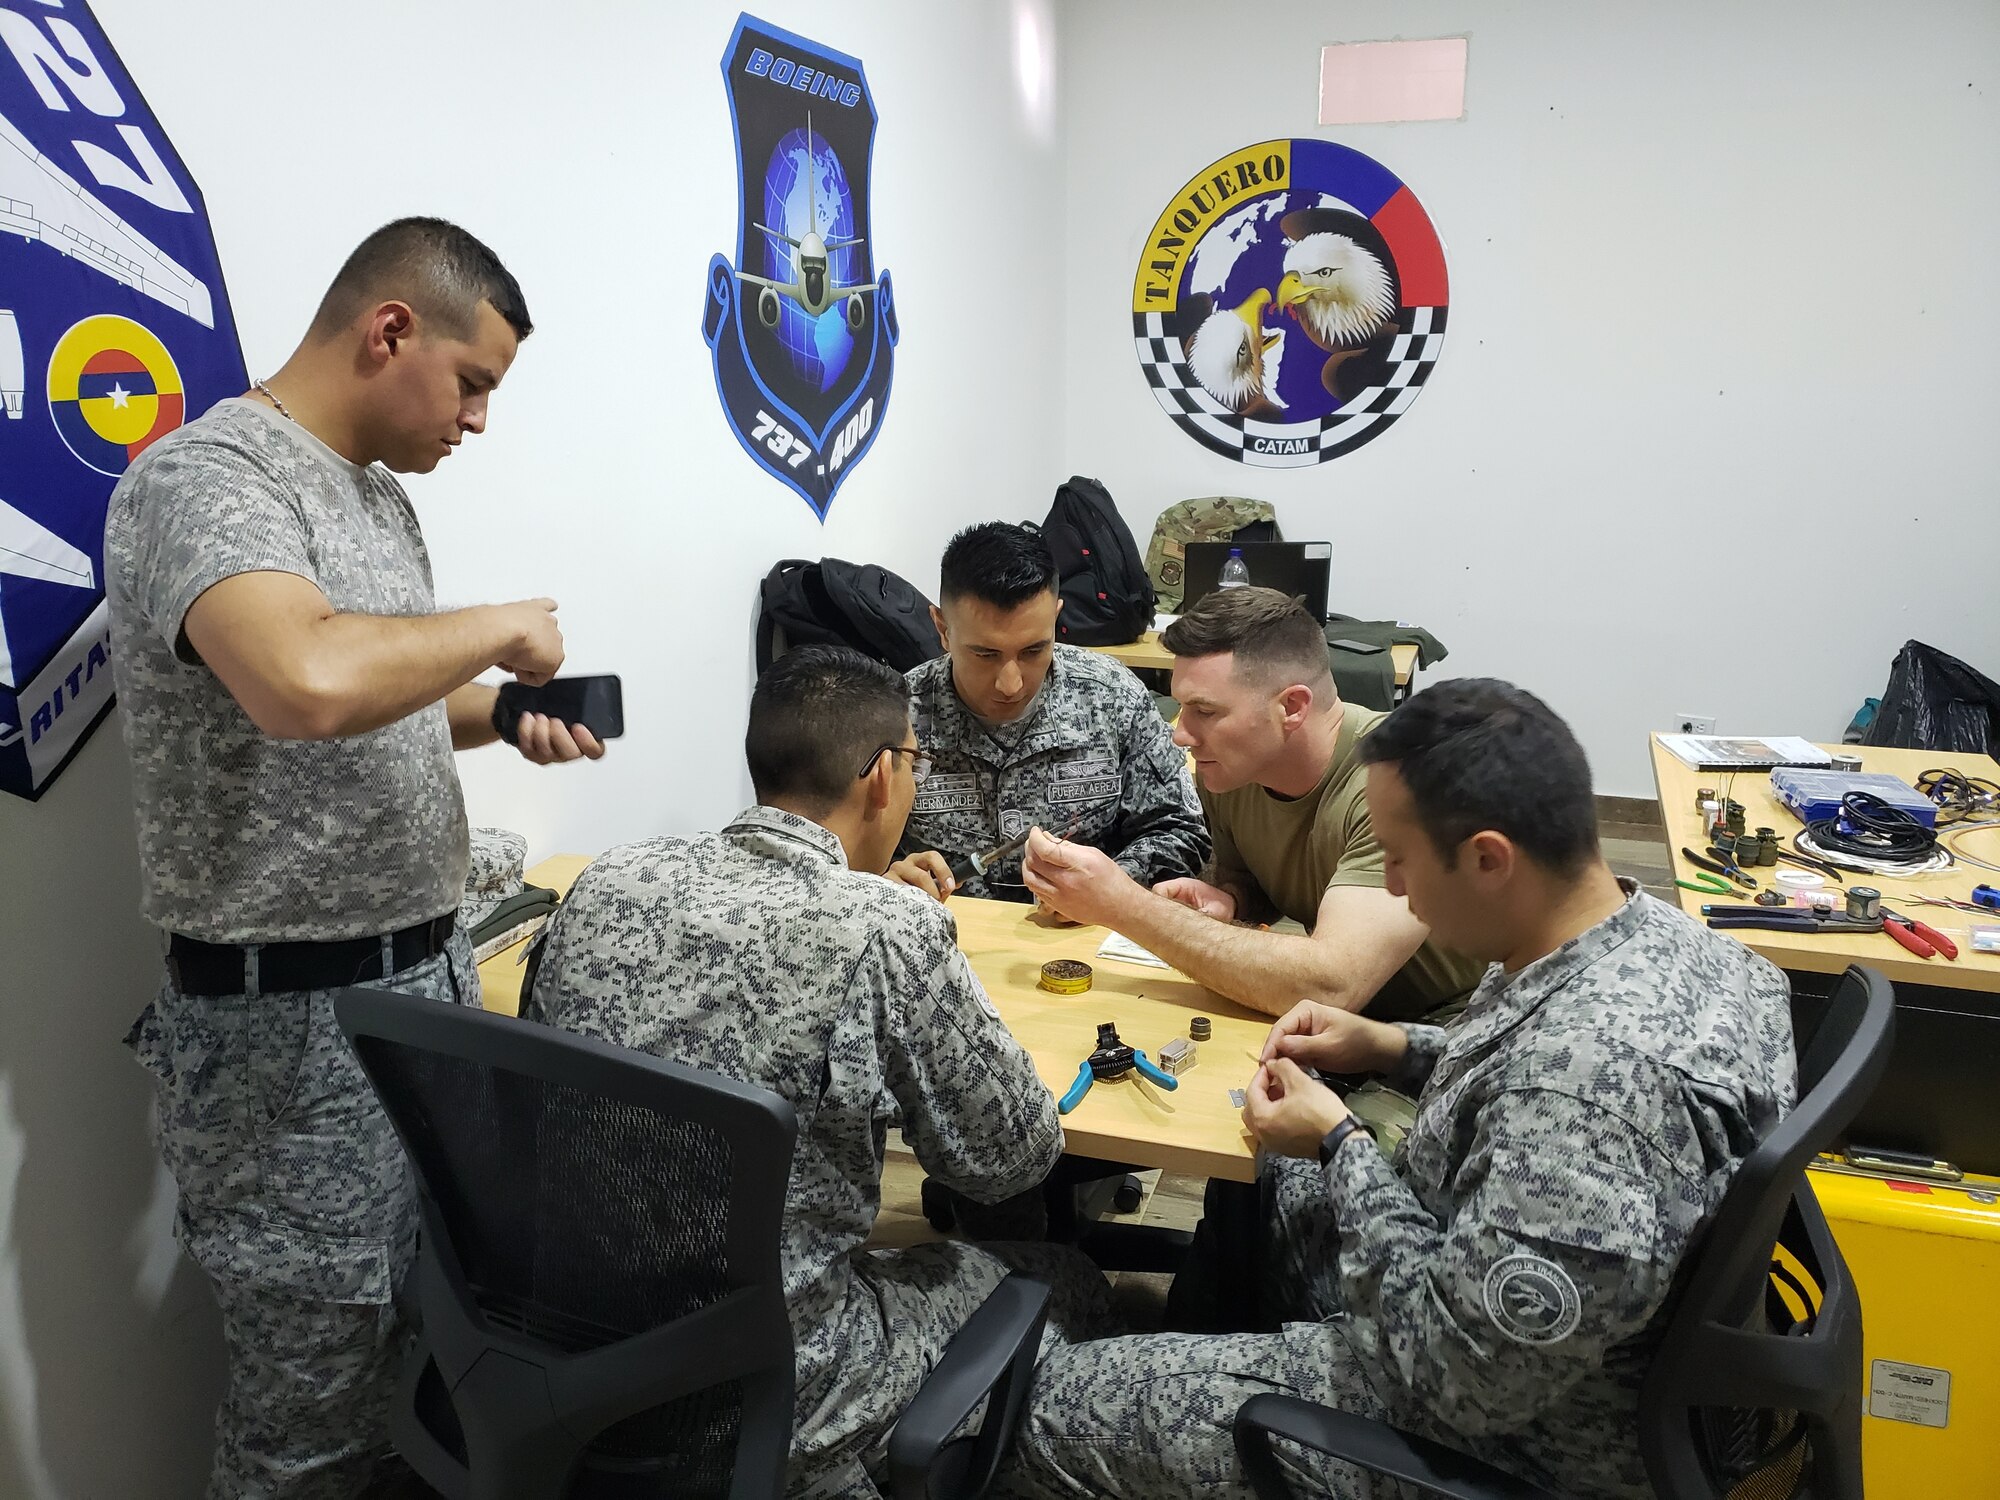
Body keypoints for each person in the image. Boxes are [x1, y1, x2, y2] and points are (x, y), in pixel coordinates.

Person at [993, 679, 1797, 1499]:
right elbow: (1527, 1064)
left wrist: (1341, 1144)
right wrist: (1396, 1046)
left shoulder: (1587, 1098)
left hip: (1514, 1437)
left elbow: (1463, 1379)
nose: (1396, 893)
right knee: (1263, 1177)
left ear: (1489, 858)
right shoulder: (1668, 941)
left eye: (1400, 862)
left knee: (1044, 1410)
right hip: (1522, 1315)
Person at [104, 217, 605, 1499]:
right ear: (390, 331)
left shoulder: (373, 495)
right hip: (287, 1032)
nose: (479, 422)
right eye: (473, 382)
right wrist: (497, 629)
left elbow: (366, 690)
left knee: (424, 1358)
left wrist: (497, 712)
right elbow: (304, 680)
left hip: (422, 981)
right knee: (306, 1421)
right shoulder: (207, 481)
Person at [524, 645, 1115, 1497]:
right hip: (784, 1381)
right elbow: (1009, 1162)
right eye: (913, 761)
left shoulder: (606, 877)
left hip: (575, 1345)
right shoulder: (884, 926)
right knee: (1067, 1281)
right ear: (883, 778)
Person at [1021, 586, 1479, 1025]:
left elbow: (1333, 986)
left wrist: (1122, 904)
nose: (1180, 733)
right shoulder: (1232, 770)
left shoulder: (1401, 785)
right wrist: (1234, 898)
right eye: (1181, 707)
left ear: (1293, 707)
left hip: (1452, 1032)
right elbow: (1260, 879)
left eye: (1205, 710)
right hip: (1343, 1027)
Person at [888, 521, 1207, 906]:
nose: (1011, 683)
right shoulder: (895, 716)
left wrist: (1110, 887)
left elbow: (1180, 830)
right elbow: (835, 854)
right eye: (985, 655)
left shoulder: (1111, 697)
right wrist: (880, 879)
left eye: (1033, 651)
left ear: (1056, 618)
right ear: (942, 628)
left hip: (1086, 941)